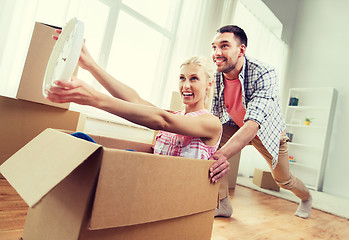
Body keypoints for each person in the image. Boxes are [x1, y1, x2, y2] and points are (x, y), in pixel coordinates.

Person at [46, 31, 222, 162]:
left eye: (194, 79)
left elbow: (163, 121)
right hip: (146, 178)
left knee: (124, 156)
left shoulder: (211, 123)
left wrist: (94, 98)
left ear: (209, 83)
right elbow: (134, 100)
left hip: (168, 190)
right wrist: (91, 65)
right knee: (78, 139)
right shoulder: (175, 115)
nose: (186, 86)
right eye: (182, 78)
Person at [208, 25, 312, 219]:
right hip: (237, 126)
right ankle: (223, 204)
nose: (217, 53)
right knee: (209, 142)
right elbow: (214, 116)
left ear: (241, 50)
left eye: (224, 46)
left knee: (283, 180)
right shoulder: (217, 74)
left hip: (267, 133)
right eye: (214, 47)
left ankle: (306, 198)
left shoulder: (265, 73)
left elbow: (254, 123)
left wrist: (220, 155)